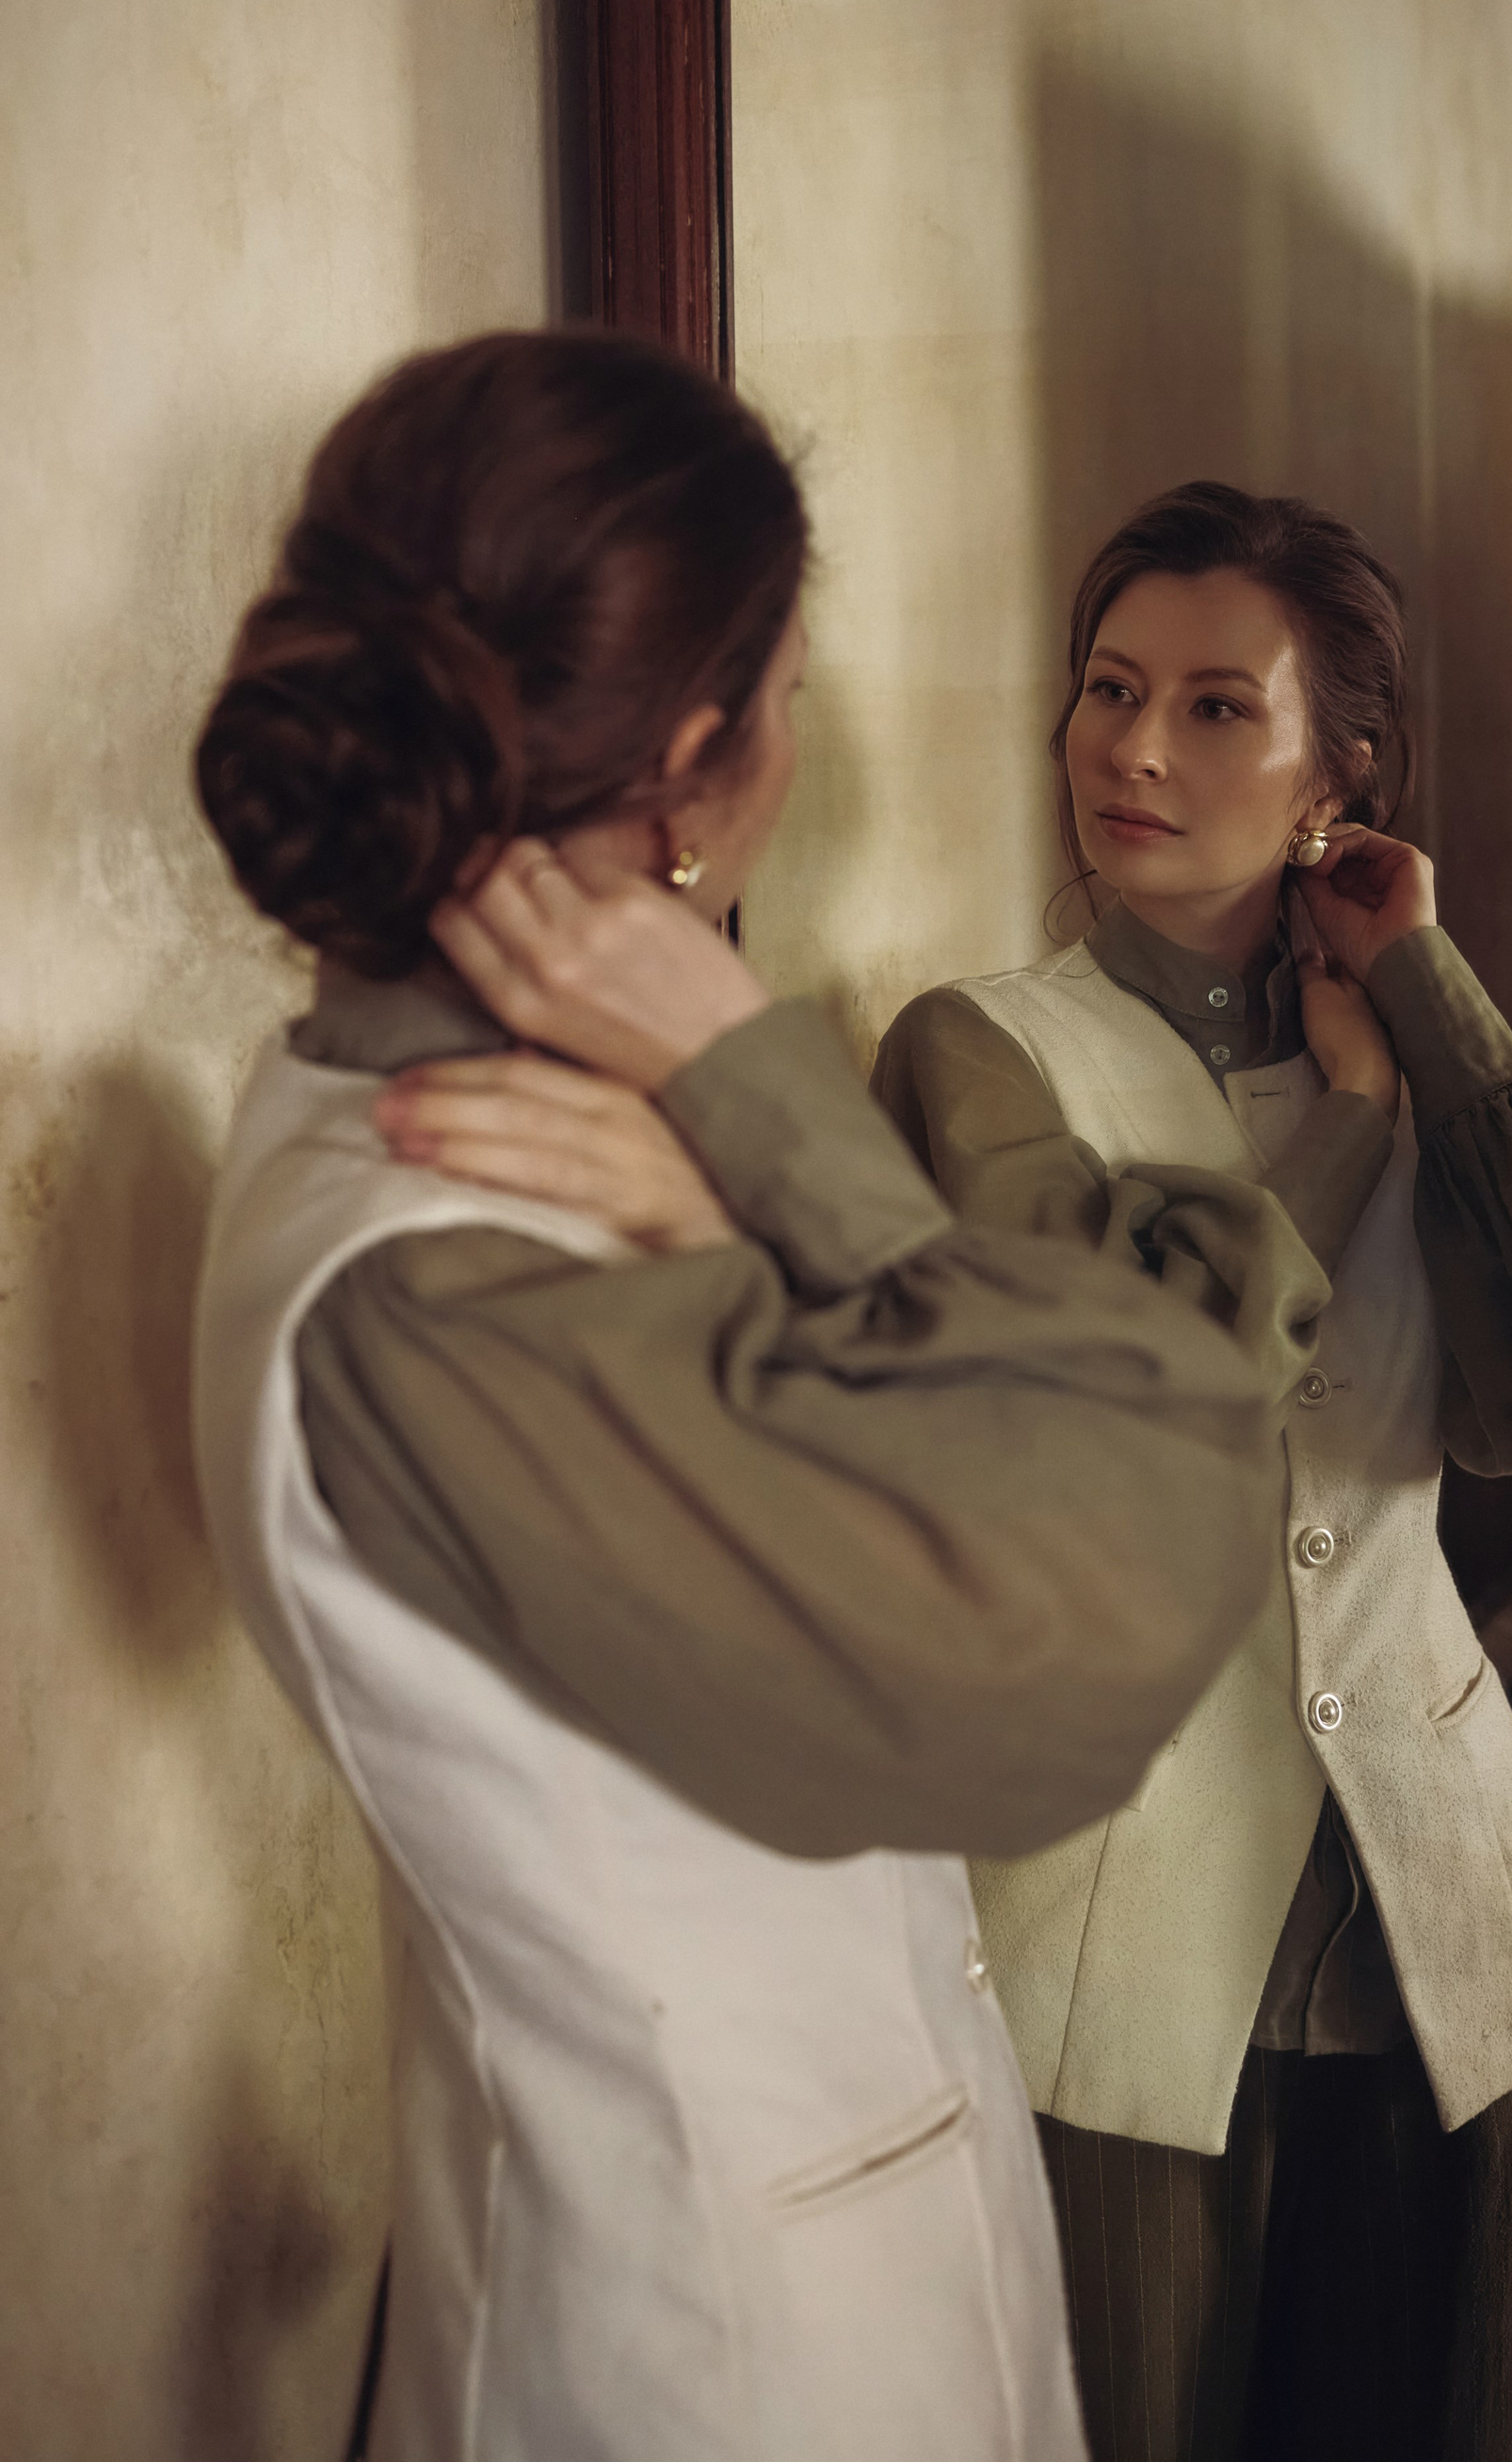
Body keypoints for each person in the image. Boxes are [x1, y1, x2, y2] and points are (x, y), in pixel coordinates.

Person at [188, 340, 1380, 2462]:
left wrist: (741, 1179)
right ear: (692, 768)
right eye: (794, 697)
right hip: (709, 2346)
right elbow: (1120, 1575)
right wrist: (790, 1134)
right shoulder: (456, 1279)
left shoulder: (503, 1144)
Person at [869, 484, 1512, 2462]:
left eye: (1214, 706)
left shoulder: (1426, 1058)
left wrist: (1426, 989)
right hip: (1121, 1942)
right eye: (1109, 688)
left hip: (1443, 1927)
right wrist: (1341, 1130)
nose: (1136, 750)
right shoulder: (979, 1056)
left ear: (1343, 775)